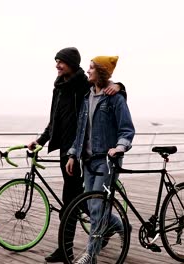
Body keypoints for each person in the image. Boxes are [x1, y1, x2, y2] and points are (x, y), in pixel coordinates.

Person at [27, 47, 126, 263]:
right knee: (80, 201)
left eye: (61, 62)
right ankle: (110, 224)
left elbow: (108, 88)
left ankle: (67, 249)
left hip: (82, 151)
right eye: (56, 61)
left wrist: (120, 86)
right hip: (69, 151)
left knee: (71, 201)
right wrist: (40, 141)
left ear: (71, 63)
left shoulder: (83, 82)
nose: (57, 65)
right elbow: (55, 121)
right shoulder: (59, 87)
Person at [65, 55, 135, 264]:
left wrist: (119, 148)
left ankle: (90, 254)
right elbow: (81, 131)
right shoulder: (87, 97)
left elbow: (127, 128)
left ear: (101, 73)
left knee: (96, 207)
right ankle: (121, 226)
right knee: (88, 205)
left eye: (92, 68)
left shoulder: (115, 98)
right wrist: (72, 154)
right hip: (87, 160)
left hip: (106, 160)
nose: (88, 71)